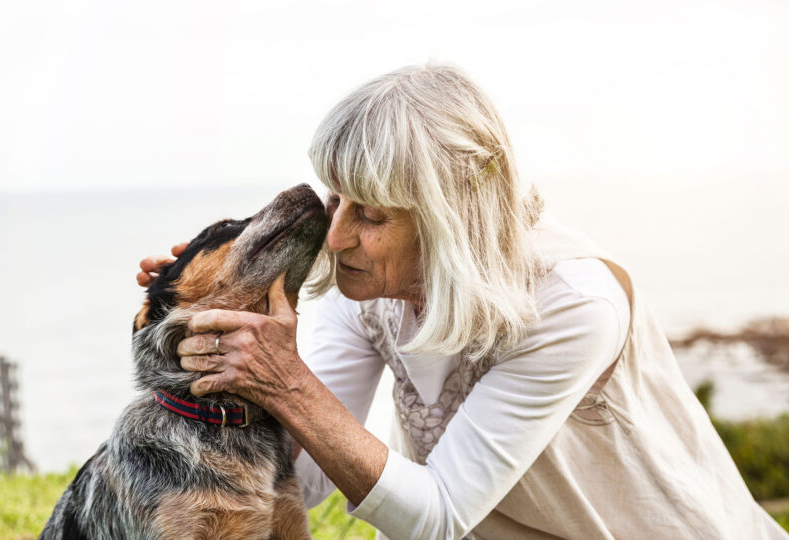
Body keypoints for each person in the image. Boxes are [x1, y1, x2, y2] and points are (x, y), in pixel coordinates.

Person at [136, 64, 787, 539]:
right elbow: (302, 476)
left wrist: (283, 380)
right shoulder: (368, 280)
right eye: (335, 199)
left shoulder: (572, 302)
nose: (334, 238)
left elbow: (438, 514)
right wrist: (221, 327)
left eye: (369, 213)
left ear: (449, 215)